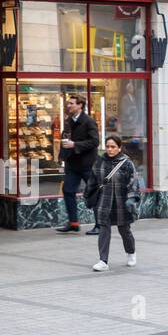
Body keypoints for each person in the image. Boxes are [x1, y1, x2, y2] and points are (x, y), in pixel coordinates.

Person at [88, 136, 140, 271]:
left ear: (119, 148)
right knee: (104, 230)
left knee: (124, 230)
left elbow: (133, 182)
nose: (110, 149)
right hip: (104, 201)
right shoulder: (99, 161)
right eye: (108, 146)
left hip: (121, 202)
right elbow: (92, 180)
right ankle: (103, 260)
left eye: (113, 147)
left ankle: (131, 252)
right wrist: (89, 196)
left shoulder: (126, 163)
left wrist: (131, 198)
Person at [55, 93, 99, 233]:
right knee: (68, 190)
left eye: (71, 103)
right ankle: (73, 223)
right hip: (72, 164)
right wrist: (62, 156)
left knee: (94, 193)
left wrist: (75, 144)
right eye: (68, 103)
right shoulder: (68, 121)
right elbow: (65, 138)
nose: (68, 105)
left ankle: (100, 225)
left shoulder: (89, 121)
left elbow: (95, 142)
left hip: (87, 164)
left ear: (80, 105)